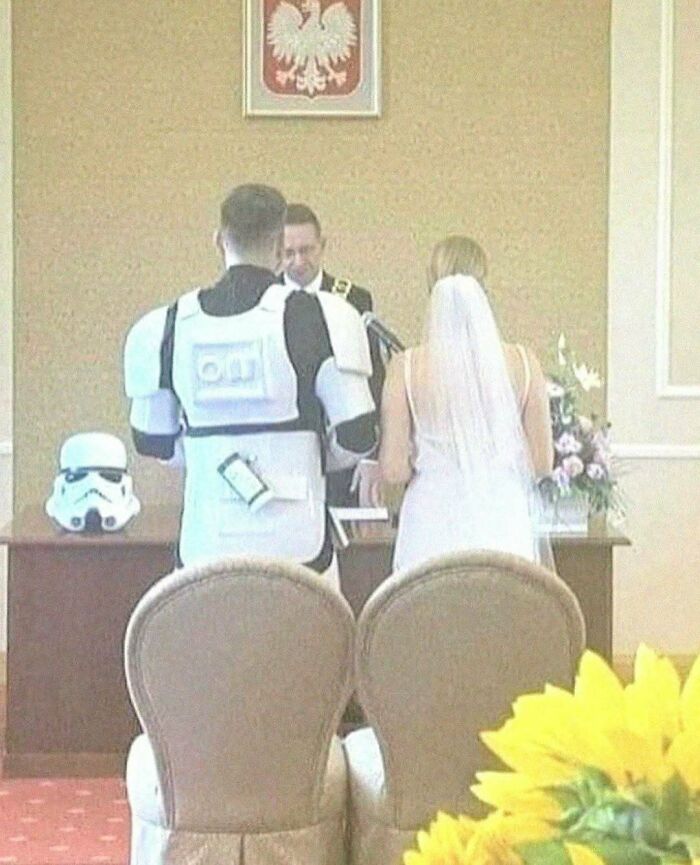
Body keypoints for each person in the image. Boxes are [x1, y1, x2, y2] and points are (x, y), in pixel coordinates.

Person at [123, 184, 377, 587]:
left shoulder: (163, 327)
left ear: (218, 241)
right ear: (280, 246)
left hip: (204, 545)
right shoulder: (328, 318)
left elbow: (152, 441)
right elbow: (358, 434)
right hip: (302, 548)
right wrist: (309, 457)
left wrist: (215, 457)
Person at [378, 236, 554, 572]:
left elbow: (394, 469)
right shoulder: (524, 362)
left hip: (431, 522)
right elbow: (542, 463)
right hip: (502, 518)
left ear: (431, 286)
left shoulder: (406, 367)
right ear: (484, 288)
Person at [281, 203, 386, 505]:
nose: (299, 261)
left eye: (307, 250)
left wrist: (372, 457)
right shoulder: (266, 299)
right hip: (287, 450)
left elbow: (374, 376)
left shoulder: (353, 298)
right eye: (289, 253)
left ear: (322, 246)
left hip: (345, 445)